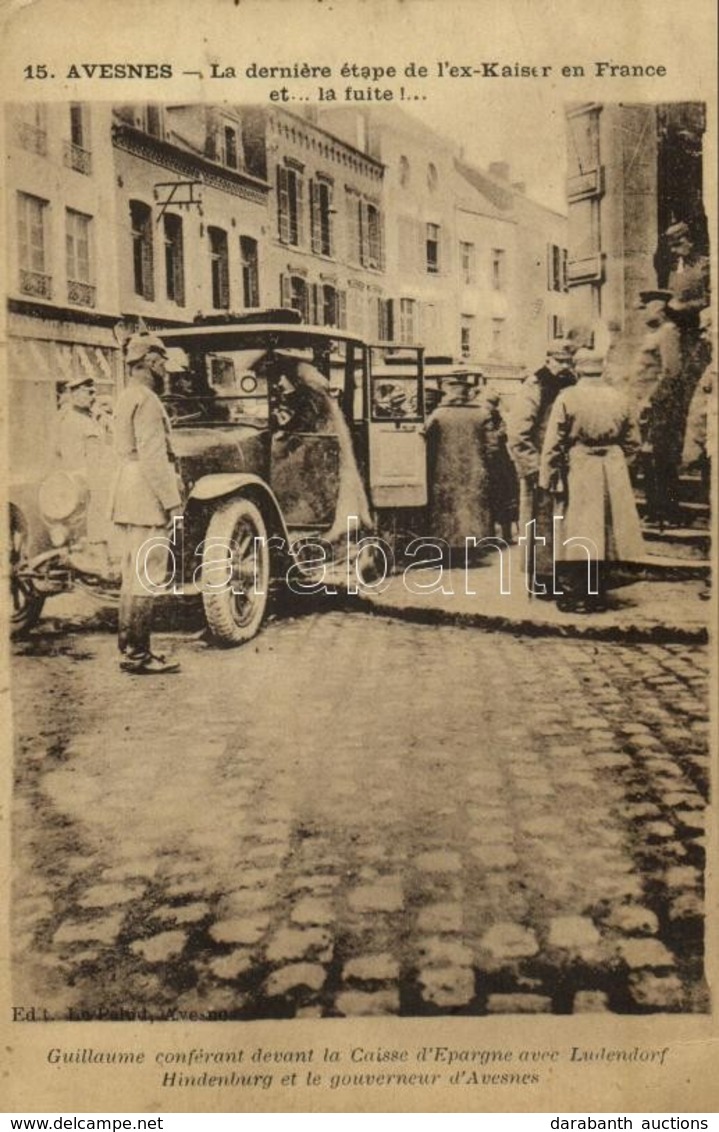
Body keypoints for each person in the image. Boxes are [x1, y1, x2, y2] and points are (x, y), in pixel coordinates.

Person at [540, 345, 645, 613]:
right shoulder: (620, 397)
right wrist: (619, 462)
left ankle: (577, 593)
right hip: (612, 466)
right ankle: (598, 592)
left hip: (581, 465)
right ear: (603, 369)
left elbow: (553, 441)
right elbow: (633, 441)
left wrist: (548, 477)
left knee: (578, 528)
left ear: (577, 370)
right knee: (606, 528)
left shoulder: (568, 397)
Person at [110, 332, 183, 675]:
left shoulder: (126, 397)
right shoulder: (149, 401)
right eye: (162, 362)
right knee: (146, 575)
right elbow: (154, 458)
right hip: (146, 496)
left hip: (128, 492)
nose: (165, 369)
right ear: (151, 363)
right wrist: (172, 503)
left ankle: (129, 649)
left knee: (131, 575)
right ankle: (138, 655)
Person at [507, 343, 576, 596]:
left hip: (565, 465)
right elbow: (517, 433)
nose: (565, 367)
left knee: (561, 523)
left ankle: (560, 573)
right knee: (541, 522)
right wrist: (534, 468)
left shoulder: (573, 384)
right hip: (540, 466)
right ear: (548, 360)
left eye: (569, 362)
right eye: (559, 361)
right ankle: (542, 579)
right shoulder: (534, 386)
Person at [424, 372, 493, 563]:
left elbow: (424, 434)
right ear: (467, 392)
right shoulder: (480, 413)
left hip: (445, 466)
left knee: (447, 508)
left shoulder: (439, 414)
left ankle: (447, 551)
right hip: (474, 467)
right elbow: (492, 442)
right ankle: (470, 551)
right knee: (472, 506)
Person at [478, 388, 518, 542]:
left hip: (495, 463)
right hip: (499, 463)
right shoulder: (495, 419)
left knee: (496, 500)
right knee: (500, 500)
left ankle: (497, 536)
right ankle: (498, 535)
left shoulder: (492, 418)